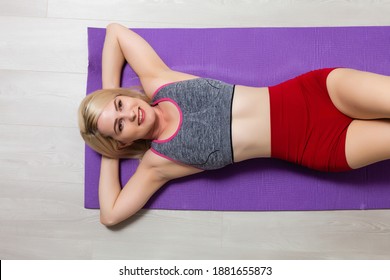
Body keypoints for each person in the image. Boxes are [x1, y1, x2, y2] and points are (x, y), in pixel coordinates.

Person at [79, 23, 390, 226]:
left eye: (121, 105)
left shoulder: (159, 81)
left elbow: (115, 33)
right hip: (319, 146)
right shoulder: (158, 164)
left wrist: (109, 93)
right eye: (120, 126)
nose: (130, 114)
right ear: (121, 141)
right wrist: (111, 154)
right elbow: (111, 214)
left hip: (318, 92)